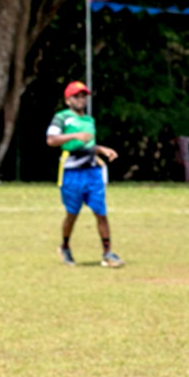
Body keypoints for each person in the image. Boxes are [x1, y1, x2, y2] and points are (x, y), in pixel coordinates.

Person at [46, 81, 123, 267]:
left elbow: (88, 146)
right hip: (72, 172)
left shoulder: (89, 121)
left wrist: (102, 150)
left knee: (101, 212)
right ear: (67, 100)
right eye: (76, 96)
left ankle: (107, 252)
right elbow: (51, 140)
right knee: (72, 213)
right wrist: (74, 136)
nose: (81, 100)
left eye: (83, 96)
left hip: (93, 172)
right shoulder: (62, 118)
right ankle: (65, 246)